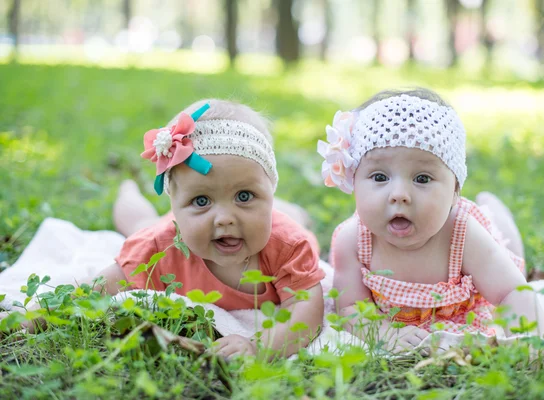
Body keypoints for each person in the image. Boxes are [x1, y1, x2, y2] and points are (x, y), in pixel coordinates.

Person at [6, 99, 326, 359]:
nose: (224, 218)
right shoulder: (160, 247)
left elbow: (306, 309)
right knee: (140, 225)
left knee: (294, 216)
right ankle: (128, 189)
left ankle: (283, 206)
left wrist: (259, 347)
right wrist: (29, 318)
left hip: (280, 218)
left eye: (245, 195)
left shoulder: (288, 245)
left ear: (268, 190)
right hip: (164, 228)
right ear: (174, 202)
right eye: (201, 200)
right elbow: (96, 288)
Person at [318, 89, 544, 351]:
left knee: (511, 253)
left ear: (455, 190)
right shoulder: (353, 240)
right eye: (380, 177)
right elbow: (349, 307)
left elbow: (511, 291)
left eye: (422, 178)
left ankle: (495, 209)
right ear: (354, 181)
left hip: (486, 256)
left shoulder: (462, 233)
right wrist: (383, 332)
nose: (399, 195)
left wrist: (531, 345)